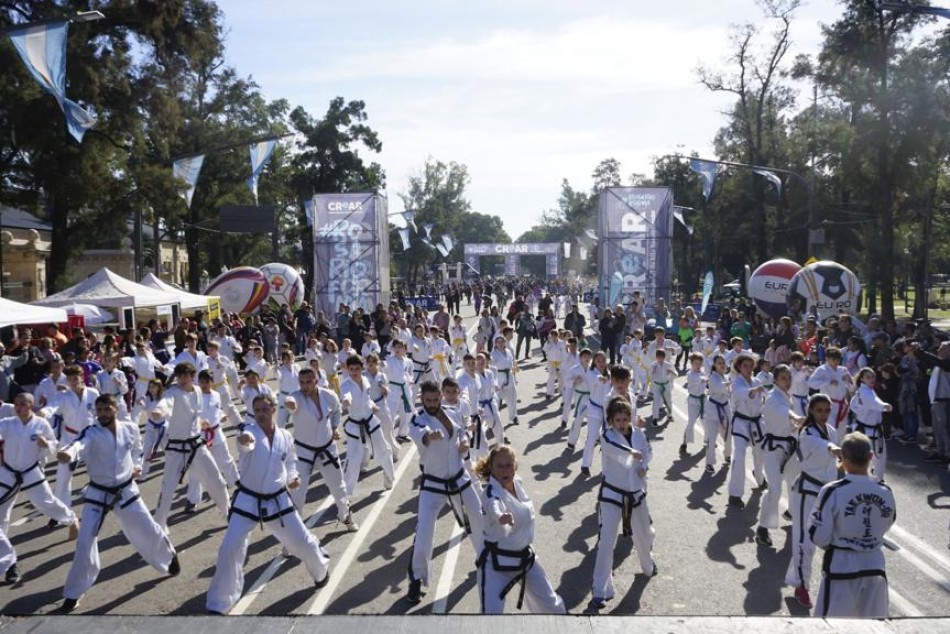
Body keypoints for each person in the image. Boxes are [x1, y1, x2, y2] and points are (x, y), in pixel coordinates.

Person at [205, 393, 330, 614]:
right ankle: (219, 601)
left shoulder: (284, 436)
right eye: (257, 410)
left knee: (303, 542)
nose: (260, 414)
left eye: (265, 409)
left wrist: (293, 477)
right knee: (230, 548)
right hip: (248, 499)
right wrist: (244, 441)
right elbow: (244, 443)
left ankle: (321, 572)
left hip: (278, 500)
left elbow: (291, 461)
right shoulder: (249, 433)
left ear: (273, 410)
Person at [58, 394, 179, 613]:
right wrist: (68, 452)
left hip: (125, 490)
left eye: (106, 409)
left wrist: (137, 466)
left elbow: (136, 450)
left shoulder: (129, 428)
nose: (102, 414)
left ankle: (167, 558)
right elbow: (78, 445)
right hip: (99, 492)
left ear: (116, 408)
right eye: (99, 410)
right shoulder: (92, 432)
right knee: (85, 542)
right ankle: (73, 593)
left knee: (148, 528)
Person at [407, 380, 484, 604]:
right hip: (433, 484)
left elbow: (461, 434)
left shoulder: (452, 412)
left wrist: (464, 443)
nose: (431, 404)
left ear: (440, 396)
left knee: (478, 518)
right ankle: (416, 578)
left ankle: (485, 559)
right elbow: (419, 432)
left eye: (434, 399)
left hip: (460, 477)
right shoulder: (418, 418)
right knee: (424, 532)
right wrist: (429, 436)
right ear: (421, 398)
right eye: (427, 400)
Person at [809, 432, 897, 618]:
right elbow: (888, 522)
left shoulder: (832, 491)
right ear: (871, 457)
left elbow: (818, 535)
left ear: (843, 459)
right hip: (874, 566)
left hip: (841, 567)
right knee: (874, 627)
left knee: (832, 626)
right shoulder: (885, 491)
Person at [0, 394, 80, 585]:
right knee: (1, 515)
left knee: (45, 503)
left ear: (31, 405)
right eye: (16, 404)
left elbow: (54, 446)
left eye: (22, 404)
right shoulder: (7, 422)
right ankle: (8, 562)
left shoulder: (41, 424)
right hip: (8, 473)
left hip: (31, 472)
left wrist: (47, 445)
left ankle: (71, 519)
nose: (18, 407)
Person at [476, 445, 565, 614]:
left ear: (515, 465)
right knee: (490, 616)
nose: (504, 470)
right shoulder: (490, 494)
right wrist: (501, 516)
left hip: (525, 559)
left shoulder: (518, 482)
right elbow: (494, 506)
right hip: (495, 565)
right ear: (491, 468)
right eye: (499, 466)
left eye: (508, 465)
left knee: (554, 607)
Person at [590, 396, 655, 609]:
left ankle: (647, 565)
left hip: (636, 493)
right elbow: (617, 453)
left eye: (625, 419)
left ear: (630, 418)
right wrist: (633, 454)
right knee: (607, 543)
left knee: (644, 535)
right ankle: (600, 590)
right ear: (610, 420)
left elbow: (647, 452)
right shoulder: (606, 436)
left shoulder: (639, 434)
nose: (622, 424)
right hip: (612, 496)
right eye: (617, 420)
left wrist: (644, 464)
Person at [153, 363, 230, 533]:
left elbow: (195, 414)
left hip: (197, 446)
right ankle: (159, 527)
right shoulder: (173, 393)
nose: (181, 379)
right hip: (176, 449)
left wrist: (201, 423)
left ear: (192, 376)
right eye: (179, 376)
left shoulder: (197, 391)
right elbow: (166, 403)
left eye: (184, 375)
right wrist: (159, 410)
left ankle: (228, 512)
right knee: (168, 489)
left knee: (217, 481)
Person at [785, 394, 841, 609]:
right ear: (811, 411)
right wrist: (839, 451)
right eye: (819, 410)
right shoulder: (807, 433)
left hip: (826, 492)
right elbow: (826, 448)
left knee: (830, 540)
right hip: (806, 493)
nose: (824, 414)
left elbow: (832, 462)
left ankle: (834, 587)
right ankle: (801, 586)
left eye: (827, 410)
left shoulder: (832, 430)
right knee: (804, 542)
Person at [284, 367, 356, 529]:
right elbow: (290, 403)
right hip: (304, 453)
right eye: (301, 382)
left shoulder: (328, 395)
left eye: (308, 382)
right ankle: (293, 535)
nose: (305, 386)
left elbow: (337, 411)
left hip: (327, 448)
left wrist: (335, 427)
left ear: (316, 380)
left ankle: (344, 515)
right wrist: (289, 402)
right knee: (297, 494)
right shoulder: (296, 397)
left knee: (339, 487)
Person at [755, 365, 803, 547]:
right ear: (775, 379)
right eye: (783, 378)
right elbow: (786, 414)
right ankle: (762, 528)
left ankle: (792, 512)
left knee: (796, 482)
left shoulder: (787, 397)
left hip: (789, 448)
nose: (787, 381)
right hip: (773, 450)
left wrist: (798, 424)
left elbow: (791, 422)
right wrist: (795, 419)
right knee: (775, 489)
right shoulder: (773, 398)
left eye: (789, 378)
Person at [340, 355, 395, 496]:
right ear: (347, 369)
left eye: (357, 368)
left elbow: (367, 398)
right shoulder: (345, 384)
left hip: (370, 421)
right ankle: (346, 494)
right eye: (351, 369)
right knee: (353, 459)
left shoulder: (365, 380)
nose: (354, 372)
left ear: (361, 367)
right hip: (355, 425)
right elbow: (347, 396)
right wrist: (346, 401)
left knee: (384, 450)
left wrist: (373, 405)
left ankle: (389, 479)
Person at [726, 353, 767, 508]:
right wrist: (755, 390)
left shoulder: (757, 381)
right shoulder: (736, 382)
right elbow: (740, 394)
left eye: (751, 366)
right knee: (739, 456)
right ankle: (735, 494)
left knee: (759, 454)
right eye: (745, 366)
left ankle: (760, 478)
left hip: (756, 423)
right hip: (742, 423)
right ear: (739, 367)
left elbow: (765, 401)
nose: (749, 369)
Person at [848, 367, 892, 481]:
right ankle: (876, 480)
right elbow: (874, 402)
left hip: (870, 429)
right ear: (862, 379)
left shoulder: (864, 390)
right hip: (868, 431)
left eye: (873, 377)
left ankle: (873, 477)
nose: (872, 379)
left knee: (876, 457)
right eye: (868, 377)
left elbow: (854, 406)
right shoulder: (865, 392)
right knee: (875, 457)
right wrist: (884, 406)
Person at [682, 352, 707, 455]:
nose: (698, 365)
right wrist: (704, 379)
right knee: (691, 422)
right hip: (693, 401)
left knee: (706, 421)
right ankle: (684, 443)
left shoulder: (703, 372)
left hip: (703, 400)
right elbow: (697, 380)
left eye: (700, 363)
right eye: (696, 363)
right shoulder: (690, 373)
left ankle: (708, 439)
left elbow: (705, 383)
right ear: (691, 363)